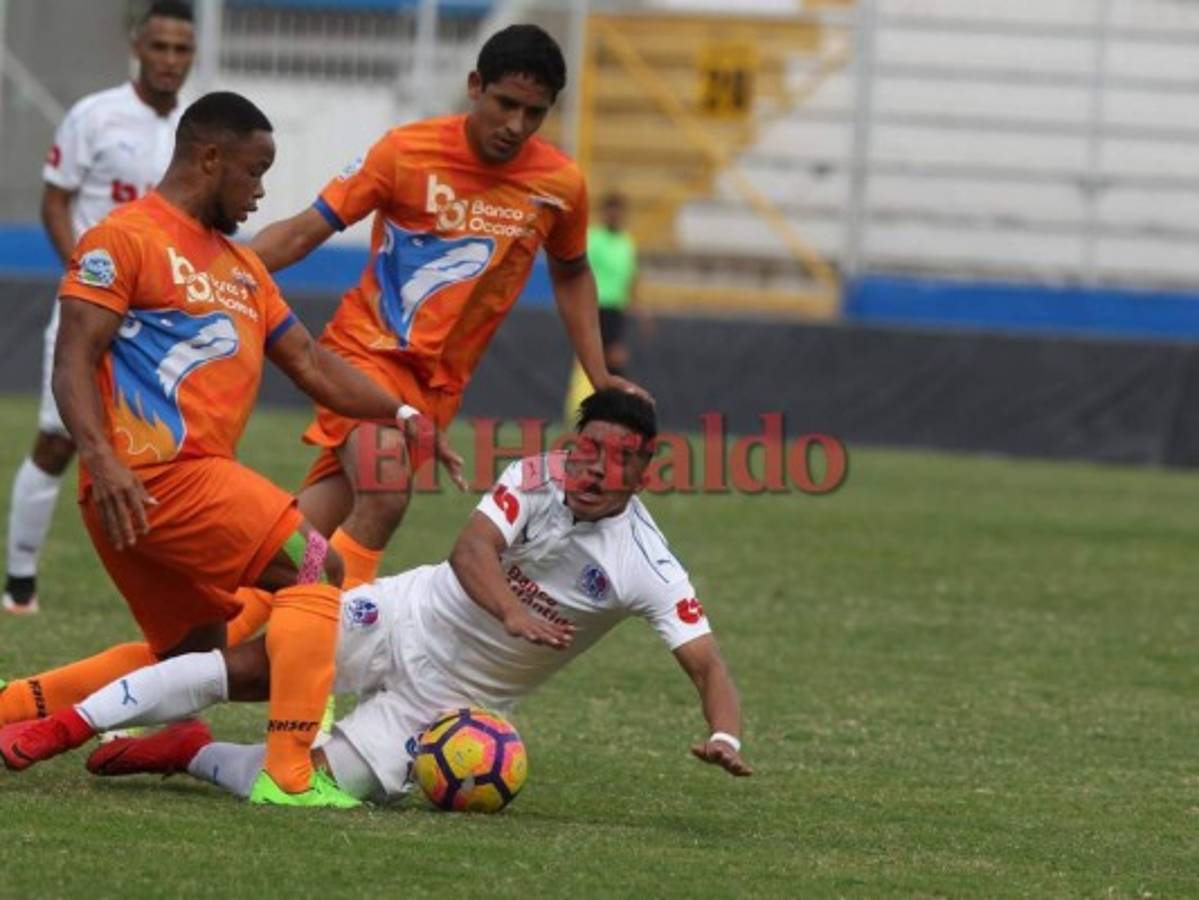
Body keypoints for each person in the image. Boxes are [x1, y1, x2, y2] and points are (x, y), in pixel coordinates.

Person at [0, 91, 461, 808]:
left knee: (190, 658)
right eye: (254, 171)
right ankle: (287, 773)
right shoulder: (123, 238)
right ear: (209, 158)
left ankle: (14, 711)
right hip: (163, 476)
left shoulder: (243, 269)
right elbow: (73, 361)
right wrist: (103, 458)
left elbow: (312, 365)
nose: (260, 191)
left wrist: (401, 410)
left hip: (142, 496)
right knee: (321, 567)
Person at [3, 391, 752, 804]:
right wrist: (514, 612)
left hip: (450, 703)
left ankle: (189, 752)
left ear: (644, 471)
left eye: (615, 459)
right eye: (584, 448)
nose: (590, 468)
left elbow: (708, 665)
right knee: (249, 667)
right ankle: (61, 728)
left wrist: (726, 737)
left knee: (293, 791)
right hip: (401, 615)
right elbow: (470, 551)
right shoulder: (534, 473)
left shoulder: (646, 564)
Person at [237, 23, 650, 615]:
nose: (516, 125)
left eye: (534, 113)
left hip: (437, 388)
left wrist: (600, 374)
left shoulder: (559, 185)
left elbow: (571, 272)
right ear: (474, 85)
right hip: (363, 355)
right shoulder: (404, 151)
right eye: (505, 104)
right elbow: (305, 230)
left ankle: (207, 643)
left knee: (299, 540)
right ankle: (331, 653)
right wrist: (210, 275)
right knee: (384, 490)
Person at [4, 0, 197, 616]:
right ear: (138, 46)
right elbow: (55, 204)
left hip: (162, 321)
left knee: (173, 448)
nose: (170, 60)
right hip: (91, 308)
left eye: (182, 49)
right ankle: (19, 584)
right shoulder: (94, 116)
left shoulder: (197, 131)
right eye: (160, 46)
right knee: (60, 440)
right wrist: (87, 276)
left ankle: (169, 591)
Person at [565, 190, 648, 418]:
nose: (615, 216)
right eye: (611, 211)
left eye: (619, 212)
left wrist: (640, 309)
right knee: (610, 356)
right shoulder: (593, 238)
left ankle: (611, 408)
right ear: (604, 214)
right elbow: (577, 271)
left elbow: (631, 278)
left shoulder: (627, 243)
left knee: (612, 357)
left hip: (616, 308)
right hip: (594, 306)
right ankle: (619, 408)